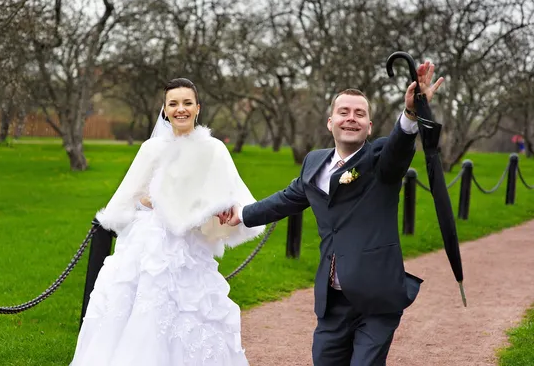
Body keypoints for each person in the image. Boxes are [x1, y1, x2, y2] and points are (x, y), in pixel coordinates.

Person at [226, 61, 444, 365]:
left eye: (359, 114)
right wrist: (244, 214)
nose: (351, 119)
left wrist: (410, 114)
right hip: (333, 301)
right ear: (330, 122)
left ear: (369, 126)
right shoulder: (313, 163)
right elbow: (288, 198)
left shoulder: (380, 159)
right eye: (344, 112)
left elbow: (399, 148)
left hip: (377, 299)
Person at [70, 78, 265, 366]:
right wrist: (147, 201)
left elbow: (233, 194)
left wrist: (227, 207)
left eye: (187, 103)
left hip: (190, 247)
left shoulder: (213, 149)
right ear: (165, 109)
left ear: (198, 108)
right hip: (150, 245)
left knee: (190, 310)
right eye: (173, 103)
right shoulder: (152, 148)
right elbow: (127, 198)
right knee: (144, 309)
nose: (180, 109)